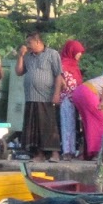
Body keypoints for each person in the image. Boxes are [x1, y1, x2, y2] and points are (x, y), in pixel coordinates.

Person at [15, 31, 62, 160]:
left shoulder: (52, 54)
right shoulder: (28, 56)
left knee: (48, 125)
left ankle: (54, 154)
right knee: (34, 127)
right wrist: (20, 56)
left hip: (46, 97)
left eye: (29, 42)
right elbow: (19, 72)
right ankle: (39, 154)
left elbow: (58, 75)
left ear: (37, 41)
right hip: (31, 97)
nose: (27, 45)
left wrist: (56, 94)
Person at [54, 39, 86, 159]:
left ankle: (72, 149)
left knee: (73, 125)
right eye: (78, 52)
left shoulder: (75, 66)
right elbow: (61, 82)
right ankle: (67, 151)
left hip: (76, 99)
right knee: (67, 124)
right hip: (66, 99)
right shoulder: (63, 65)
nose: (80, 54)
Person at [69, 75, 103, 162]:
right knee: (102, 122)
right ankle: (97, 152)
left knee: (89, 125)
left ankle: (85, 153)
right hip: (88, 94)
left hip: (78, 92)